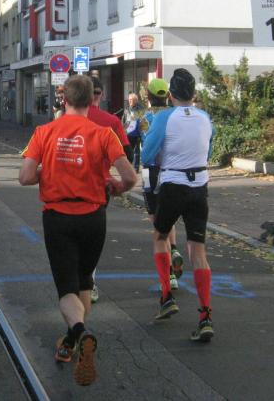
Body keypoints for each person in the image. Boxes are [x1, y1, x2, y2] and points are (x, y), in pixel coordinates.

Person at [19, 75, 136, 386]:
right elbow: (130, 177)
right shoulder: (104, 133)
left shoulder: (44, 132)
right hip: (93, 217)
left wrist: (48, 169)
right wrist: (117, 187)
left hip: (58, 217)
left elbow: (25, 177)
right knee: (84, 280)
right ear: (93, 100)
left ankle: (80, 332)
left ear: (64, 99)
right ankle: (71, 343)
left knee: (66, 290)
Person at [141, 69, 215, 343]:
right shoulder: (205, 117)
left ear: (171, 95)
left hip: (173, 184)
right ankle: (205, 316)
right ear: (194, 94)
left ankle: (166, 296)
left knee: (160, 236)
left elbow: (147, 155)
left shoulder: (164, 118)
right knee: (198, 250)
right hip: (200, 187)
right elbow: (208, 149)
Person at [86, 76, 132, 303]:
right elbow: (126, 153)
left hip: (65, 189)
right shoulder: (111, 122)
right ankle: (90, 282)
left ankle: (74, 283)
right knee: (91, 238)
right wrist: (119, 184)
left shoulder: (62, 120)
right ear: (100, 95)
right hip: (100, 186)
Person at [140, 78, 182, 292]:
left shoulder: (144, 117)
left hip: (150, 171)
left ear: (148, 96)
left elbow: (132, 137)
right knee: (168, 216)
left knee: (157, 223)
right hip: (171, 169)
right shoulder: (175, 116)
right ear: (167, 95)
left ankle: (170, 275)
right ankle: (174, 248)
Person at [123, 93, 146, 173]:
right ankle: (128, 167)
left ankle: (136, 168)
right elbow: (124, 120)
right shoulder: (127, 109)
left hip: (137, 134)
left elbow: (143, 121)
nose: (129, 101)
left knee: (136, 152)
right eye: (129, 100)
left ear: (136, 100)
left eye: (131, 100)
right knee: (128, 152)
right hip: (128, 134)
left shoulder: (141, 109)